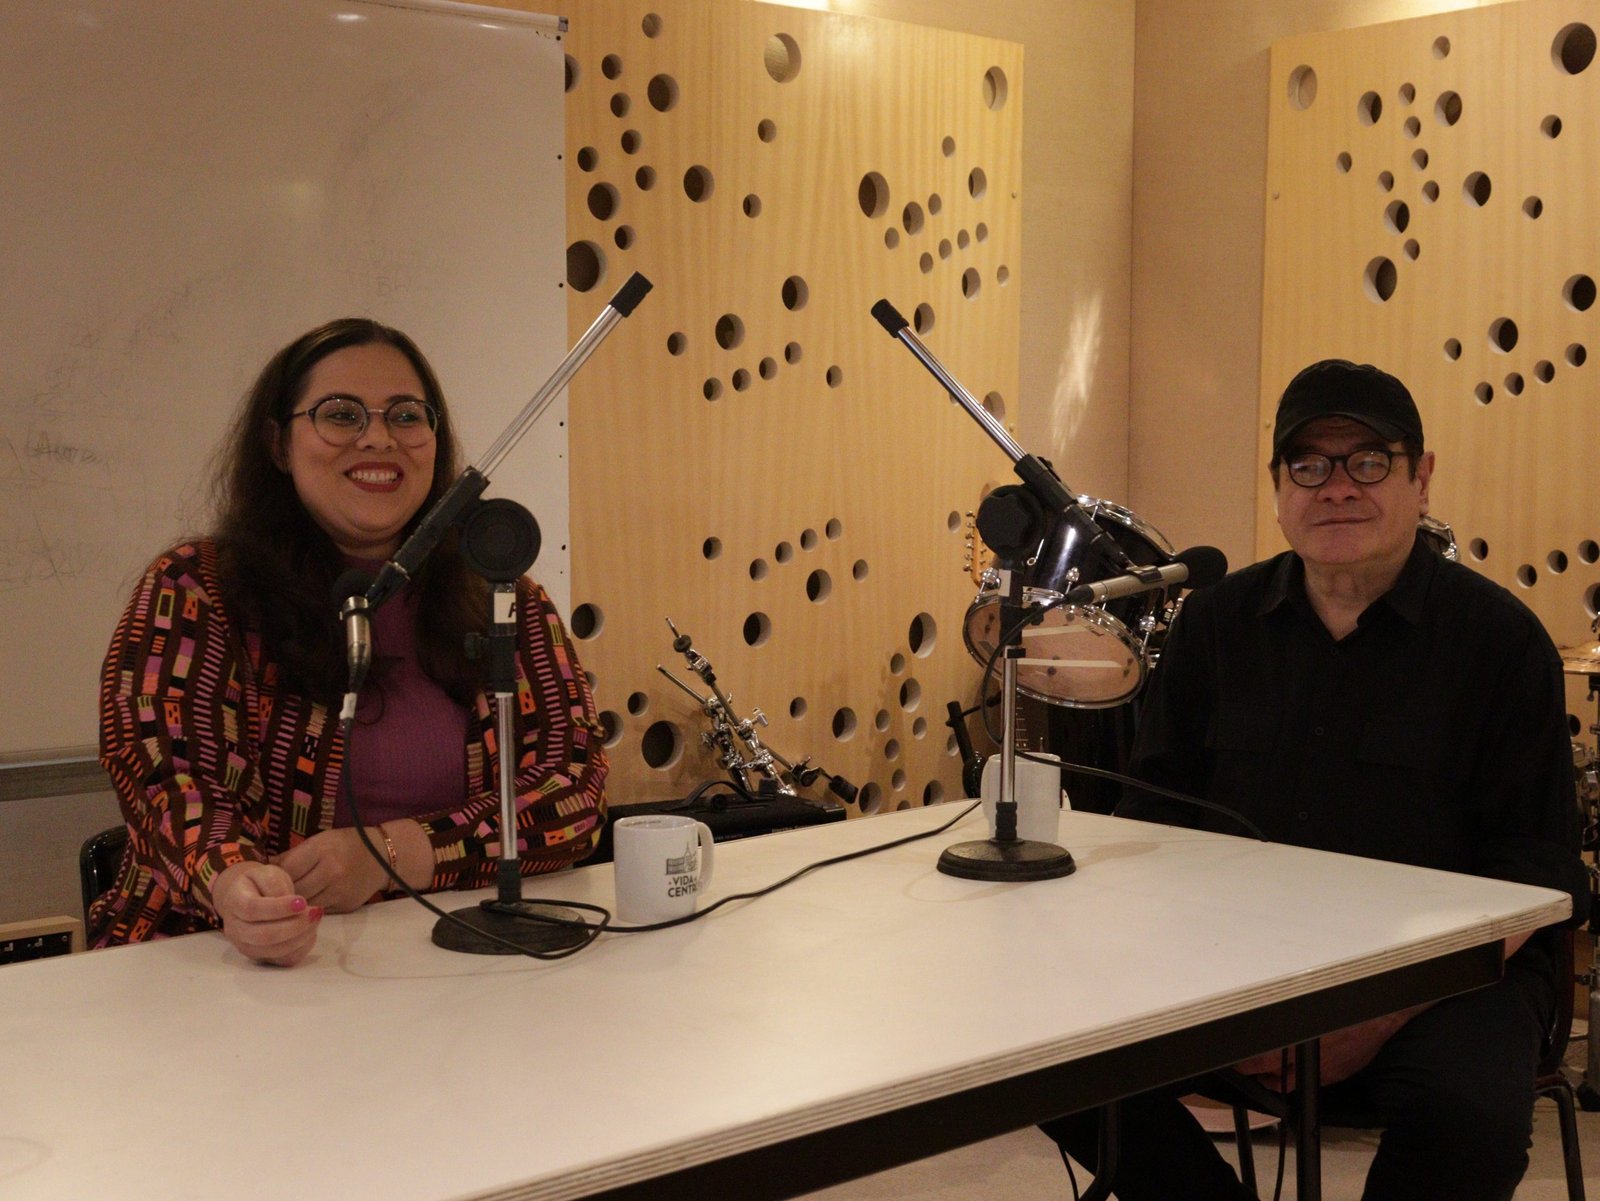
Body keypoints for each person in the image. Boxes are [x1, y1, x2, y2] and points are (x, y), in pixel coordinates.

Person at [1041, 359, 1590, 1200]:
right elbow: (1156, 818)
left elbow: (1534, 875)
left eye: (1368, 461)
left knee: (1467, 1115)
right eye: (1309, 464)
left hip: (1449, 973)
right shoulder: (1217, 626)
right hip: (1239, 951)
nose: (1336, 486)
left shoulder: (1500, 642)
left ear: (1421, 478)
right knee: (1041, 1050)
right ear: (1278, 486)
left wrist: (1367, 1016)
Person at [93, 318, 608, 966]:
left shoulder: (502, 594)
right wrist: (233, 883)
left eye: (406, 416)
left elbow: (574, 789)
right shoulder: (198, 588)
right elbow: (163, 775)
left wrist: (391, 854)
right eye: (340, 414)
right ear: (279, 443)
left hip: (447, 970)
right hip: (220, 968)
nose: (378, 438)